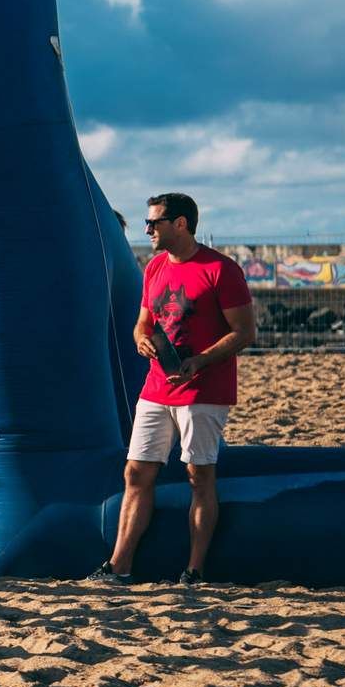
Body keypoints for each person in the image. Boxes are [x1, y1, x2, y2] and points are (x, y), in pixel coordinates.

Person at [97, 192, 256, 587]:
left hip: (204, 390)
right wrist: (140, 339)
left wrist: (200, 361)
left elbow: (244, 332)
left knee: (198, 476)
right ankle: (118, 565)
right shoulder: (154, 268)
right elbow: (143, 322)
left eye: (154, 222)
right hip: (156, 387)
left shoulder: (221, 270)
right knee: (136, 472)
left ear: (181, 224)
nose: (147, 229)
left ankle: (194, 570)